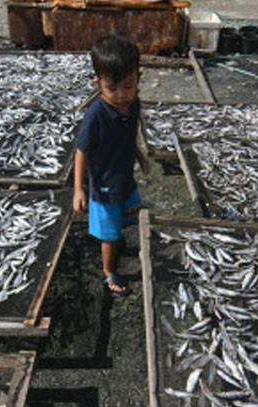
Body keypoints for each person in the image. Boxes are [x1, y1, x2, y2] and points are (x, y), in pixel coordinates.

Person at [74, 33, 151, 295]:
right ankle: (109, 272)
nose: (121, 95)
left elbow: (129, 137)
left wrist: (140, 157)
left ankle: (122, 239)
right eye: (113, 88)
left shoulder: (134, 104)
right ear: (98, 83)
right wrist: (79, 189)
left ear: (138, 78)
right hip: (104, 188)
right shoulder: (96, 114)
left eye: (129, 86)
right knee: (109, 235)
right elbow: (81, 151)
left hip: (125, 180)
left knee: (131, 214)